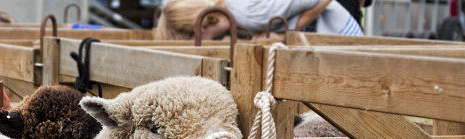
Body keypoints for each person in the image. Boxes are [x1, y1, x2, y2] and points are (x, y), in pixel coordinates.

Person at [155, 0, 363, 40]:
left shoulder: (247, 14)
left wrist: (282, 35)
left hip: (340, 32)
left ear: (200, 29)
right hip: (323, 36)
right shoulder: (237, 13)